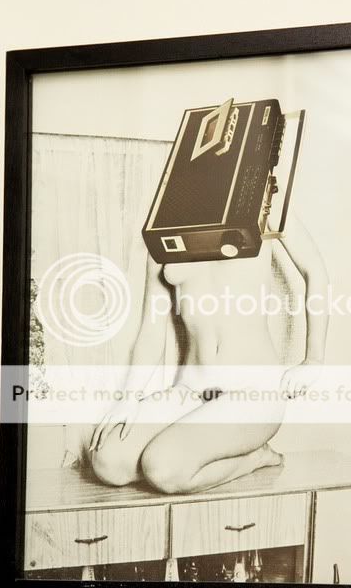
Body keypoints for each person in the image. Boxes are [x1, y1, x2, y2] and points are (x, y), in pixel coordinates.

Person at [88, 207, 329, 494]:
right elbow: (152, 329)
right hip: (190, 391)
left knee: (162, 468)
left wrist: (314, 360)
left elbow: (314, 270)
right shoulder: (166, 219)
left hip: (253, 391)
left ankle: (256, 457)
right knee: (108, 462)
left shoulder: (264, 203)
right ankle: (203, 453)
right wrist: (129, 397)